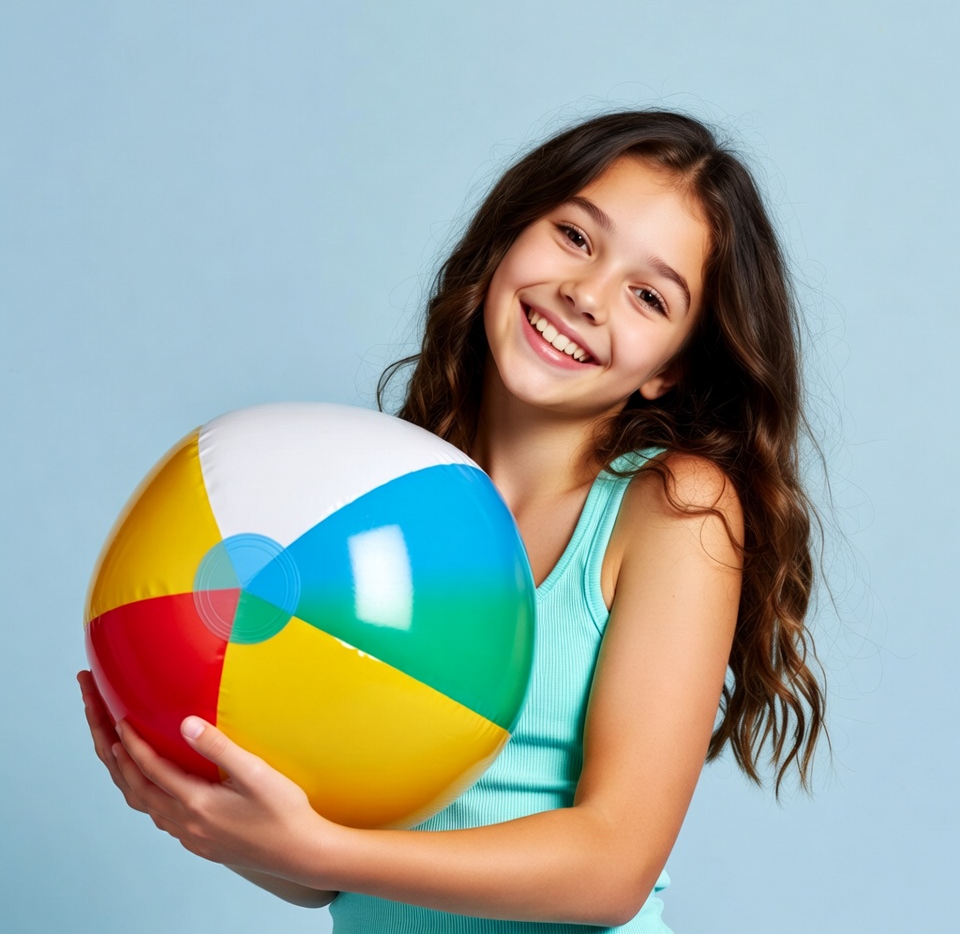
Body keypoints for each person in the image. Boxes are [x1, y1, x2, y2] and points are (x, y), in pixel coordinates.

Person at [79, 109, 826, 932]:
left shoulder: (676, 508)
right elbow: (327, 870)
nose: (585, 294)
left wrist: (320, 852)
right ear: (510, 234)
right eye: (576, 236)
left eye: (648, 295)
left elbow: (613, 865)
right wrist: (214, 821)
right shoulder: (381, 498)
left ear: (671, 368)